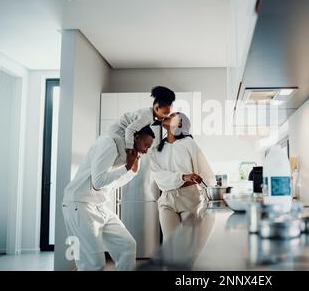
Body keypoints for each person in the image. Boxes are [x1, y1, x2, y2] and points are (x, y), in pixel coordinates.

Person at [62, 125, 156, 271]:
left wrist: (132, 171)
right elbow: (97, 182)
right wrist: (127, 167)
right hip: (80, 205)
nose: (146, 150)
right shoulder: (109, 143)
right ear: (135, 137)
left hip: (100, 206)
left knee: (127, 245)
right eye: (146, 145)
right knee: (94, 264)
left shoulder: (123, 154)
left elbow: (112, 183)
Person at [150, 112, 215, 242]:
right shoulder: (157, 150)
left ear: (180, 123)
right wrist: (183, 177)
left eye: (172, 115)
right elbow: (158, 176)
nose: (167, 116)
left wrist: (209, 195)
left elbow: (206, 174)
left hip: (190, 200)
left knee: (186, 244)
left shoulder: (189, 143)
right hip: (167, 200)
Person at [108, 86, 175, 154]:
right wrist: (129, 148)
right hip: (119, 130)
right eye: (165, 113)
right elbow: (130, 129)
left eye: (168, 114)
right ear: (157, 108)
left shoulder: (149, 114)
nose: (166, 116)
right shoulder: (147, 117)